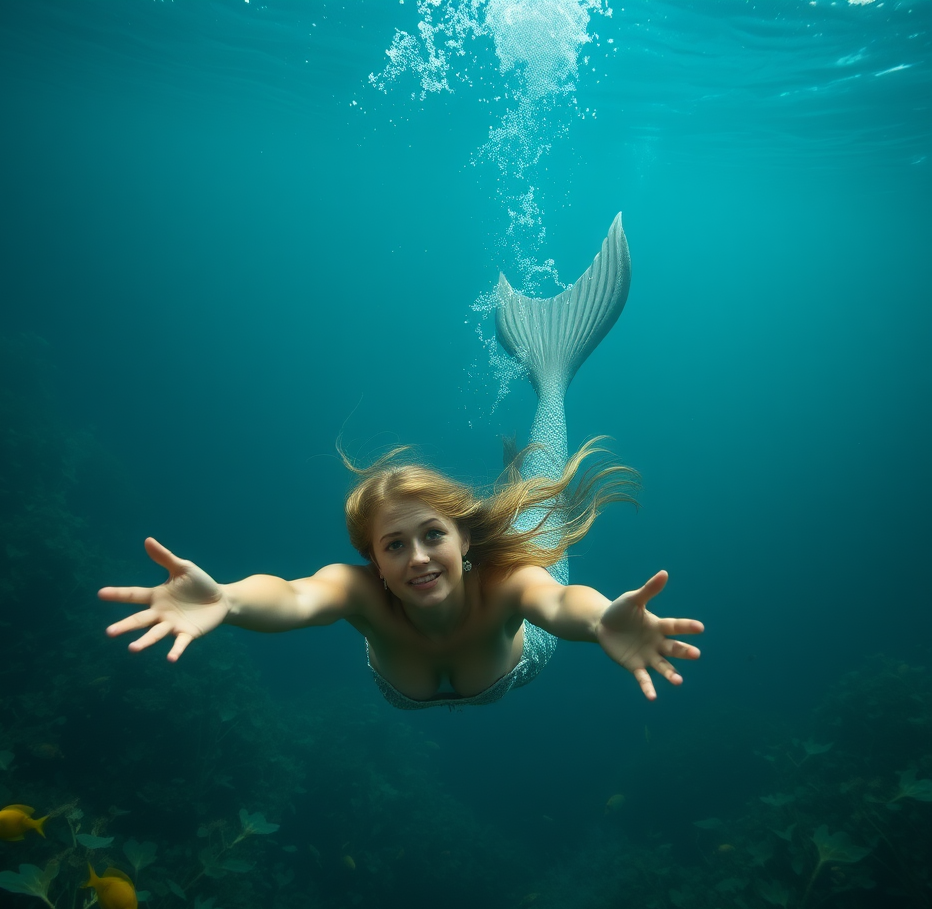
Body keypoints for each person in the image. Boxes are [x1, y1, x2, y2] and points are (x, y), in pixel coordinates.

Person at [100, 214, 703, 709]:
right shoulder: (360, 594)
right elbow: (292, 596)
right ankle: (545, 379)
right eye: (393, 545)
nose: (416, 558)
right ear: (373, 562)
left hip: (528, 644)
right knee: (535, 501)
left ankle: (552, 375)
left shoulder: (506, 586)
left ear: (464, 538)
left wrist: (602, 621)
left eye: (432, 534)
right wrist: (227, 601)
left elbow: (560, 605)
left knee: (538, 512)